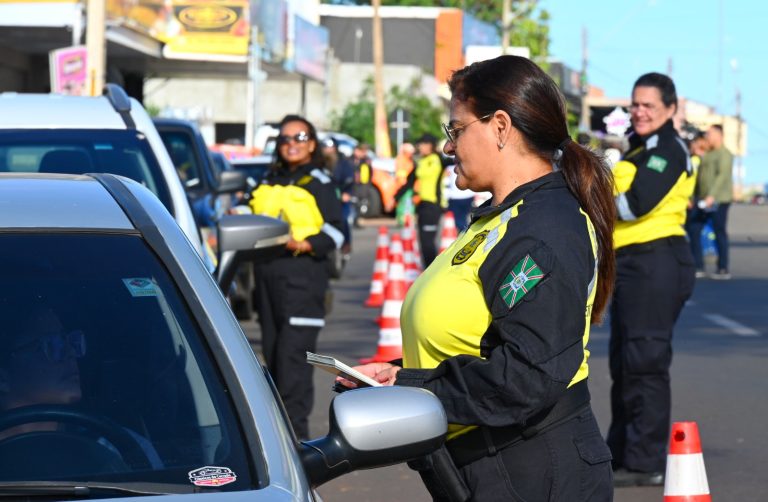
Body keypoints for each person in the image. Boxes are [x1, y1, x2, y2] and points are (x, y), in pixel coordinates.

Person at [343, 55, 616, 501]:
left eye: (457, 129)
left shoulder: (542, 229)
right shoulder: (502, 217)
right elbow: (479, 340)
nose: (449, 146)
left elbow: (527, 376)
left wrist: (414, 390)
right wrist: (399, 375)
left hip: (530, 470)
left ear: (501, 127)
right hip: (487, 464)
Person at [607, 72, 696, 487]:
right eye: (635, 104)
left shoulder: (667, 149)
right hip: (632, 263)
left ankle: (644, 462)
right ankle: (621, 453)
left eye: (649, 105)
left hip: (655, 260)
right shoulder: (641, 147)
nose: (639, 112)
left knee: (644, 364)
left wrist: (593, 194)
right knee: (625, 364)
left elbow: (635, 205)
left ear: (671, 109)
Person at [248, 115, 344, 440]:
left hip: (302, 280)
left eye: (299, 136)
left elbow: (337, 230)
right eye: (285, 138)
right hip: (266, 278)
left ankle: (299, 449)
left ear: (312, 143)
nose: (292, 143)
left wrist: (303, 243)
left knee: (293, 366)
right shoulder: (268, 179)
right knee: (273, 361)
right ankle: (278, 445)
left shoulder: (319, 181)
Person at [0, 302, 163, 469]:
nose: (71, 354)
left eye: (70, 342)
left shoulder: (119, 447)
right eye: (53, 344)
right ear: (2, 377)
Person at [687, 124, 734, 279]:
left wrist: (711, 196)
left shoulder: (724, 154)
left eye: (710, 134)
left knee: (719, 231)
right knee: (693, 229)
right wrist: (693, 197)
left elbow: (722, 176)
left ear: (719, 135)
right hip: (702, 199)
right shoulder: (708, 154)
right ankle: (698, 266)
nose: (707, 137)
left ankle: (723, 268)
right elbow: (700, 178)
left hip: (719, 200)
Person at [395, 133, 445, 267]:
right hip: (422, 205)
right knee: (423, 241)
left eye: (423, 144)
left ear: (431, 146)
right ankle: (428, 269)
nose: (420, 147)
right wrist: (395, 199)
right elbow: (409, 183)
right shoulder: (420, 162)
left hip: (434, 205)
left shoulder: (439, 159)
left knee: (428, 241)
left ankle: (432, 270)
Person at [322, 136, 355, 258]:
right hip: (325, 197)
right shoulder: (320, 163)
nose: (327, 150)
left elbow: (349, 179)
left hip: (340, 197)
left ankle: (346, 244)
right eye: (325, 147)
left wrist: (347, 193)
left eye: (330, 147)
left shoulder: (343, 162)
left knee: (343, 219)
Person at [394, 142, 417, 226]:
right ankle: (404, 221)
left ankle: (405, 220)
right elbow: (401, 175)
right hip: (404, 187)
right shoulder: (402, 160)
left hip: (407, 187)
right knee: (405, 205)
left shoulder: (408, 160)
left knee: (406, 204)